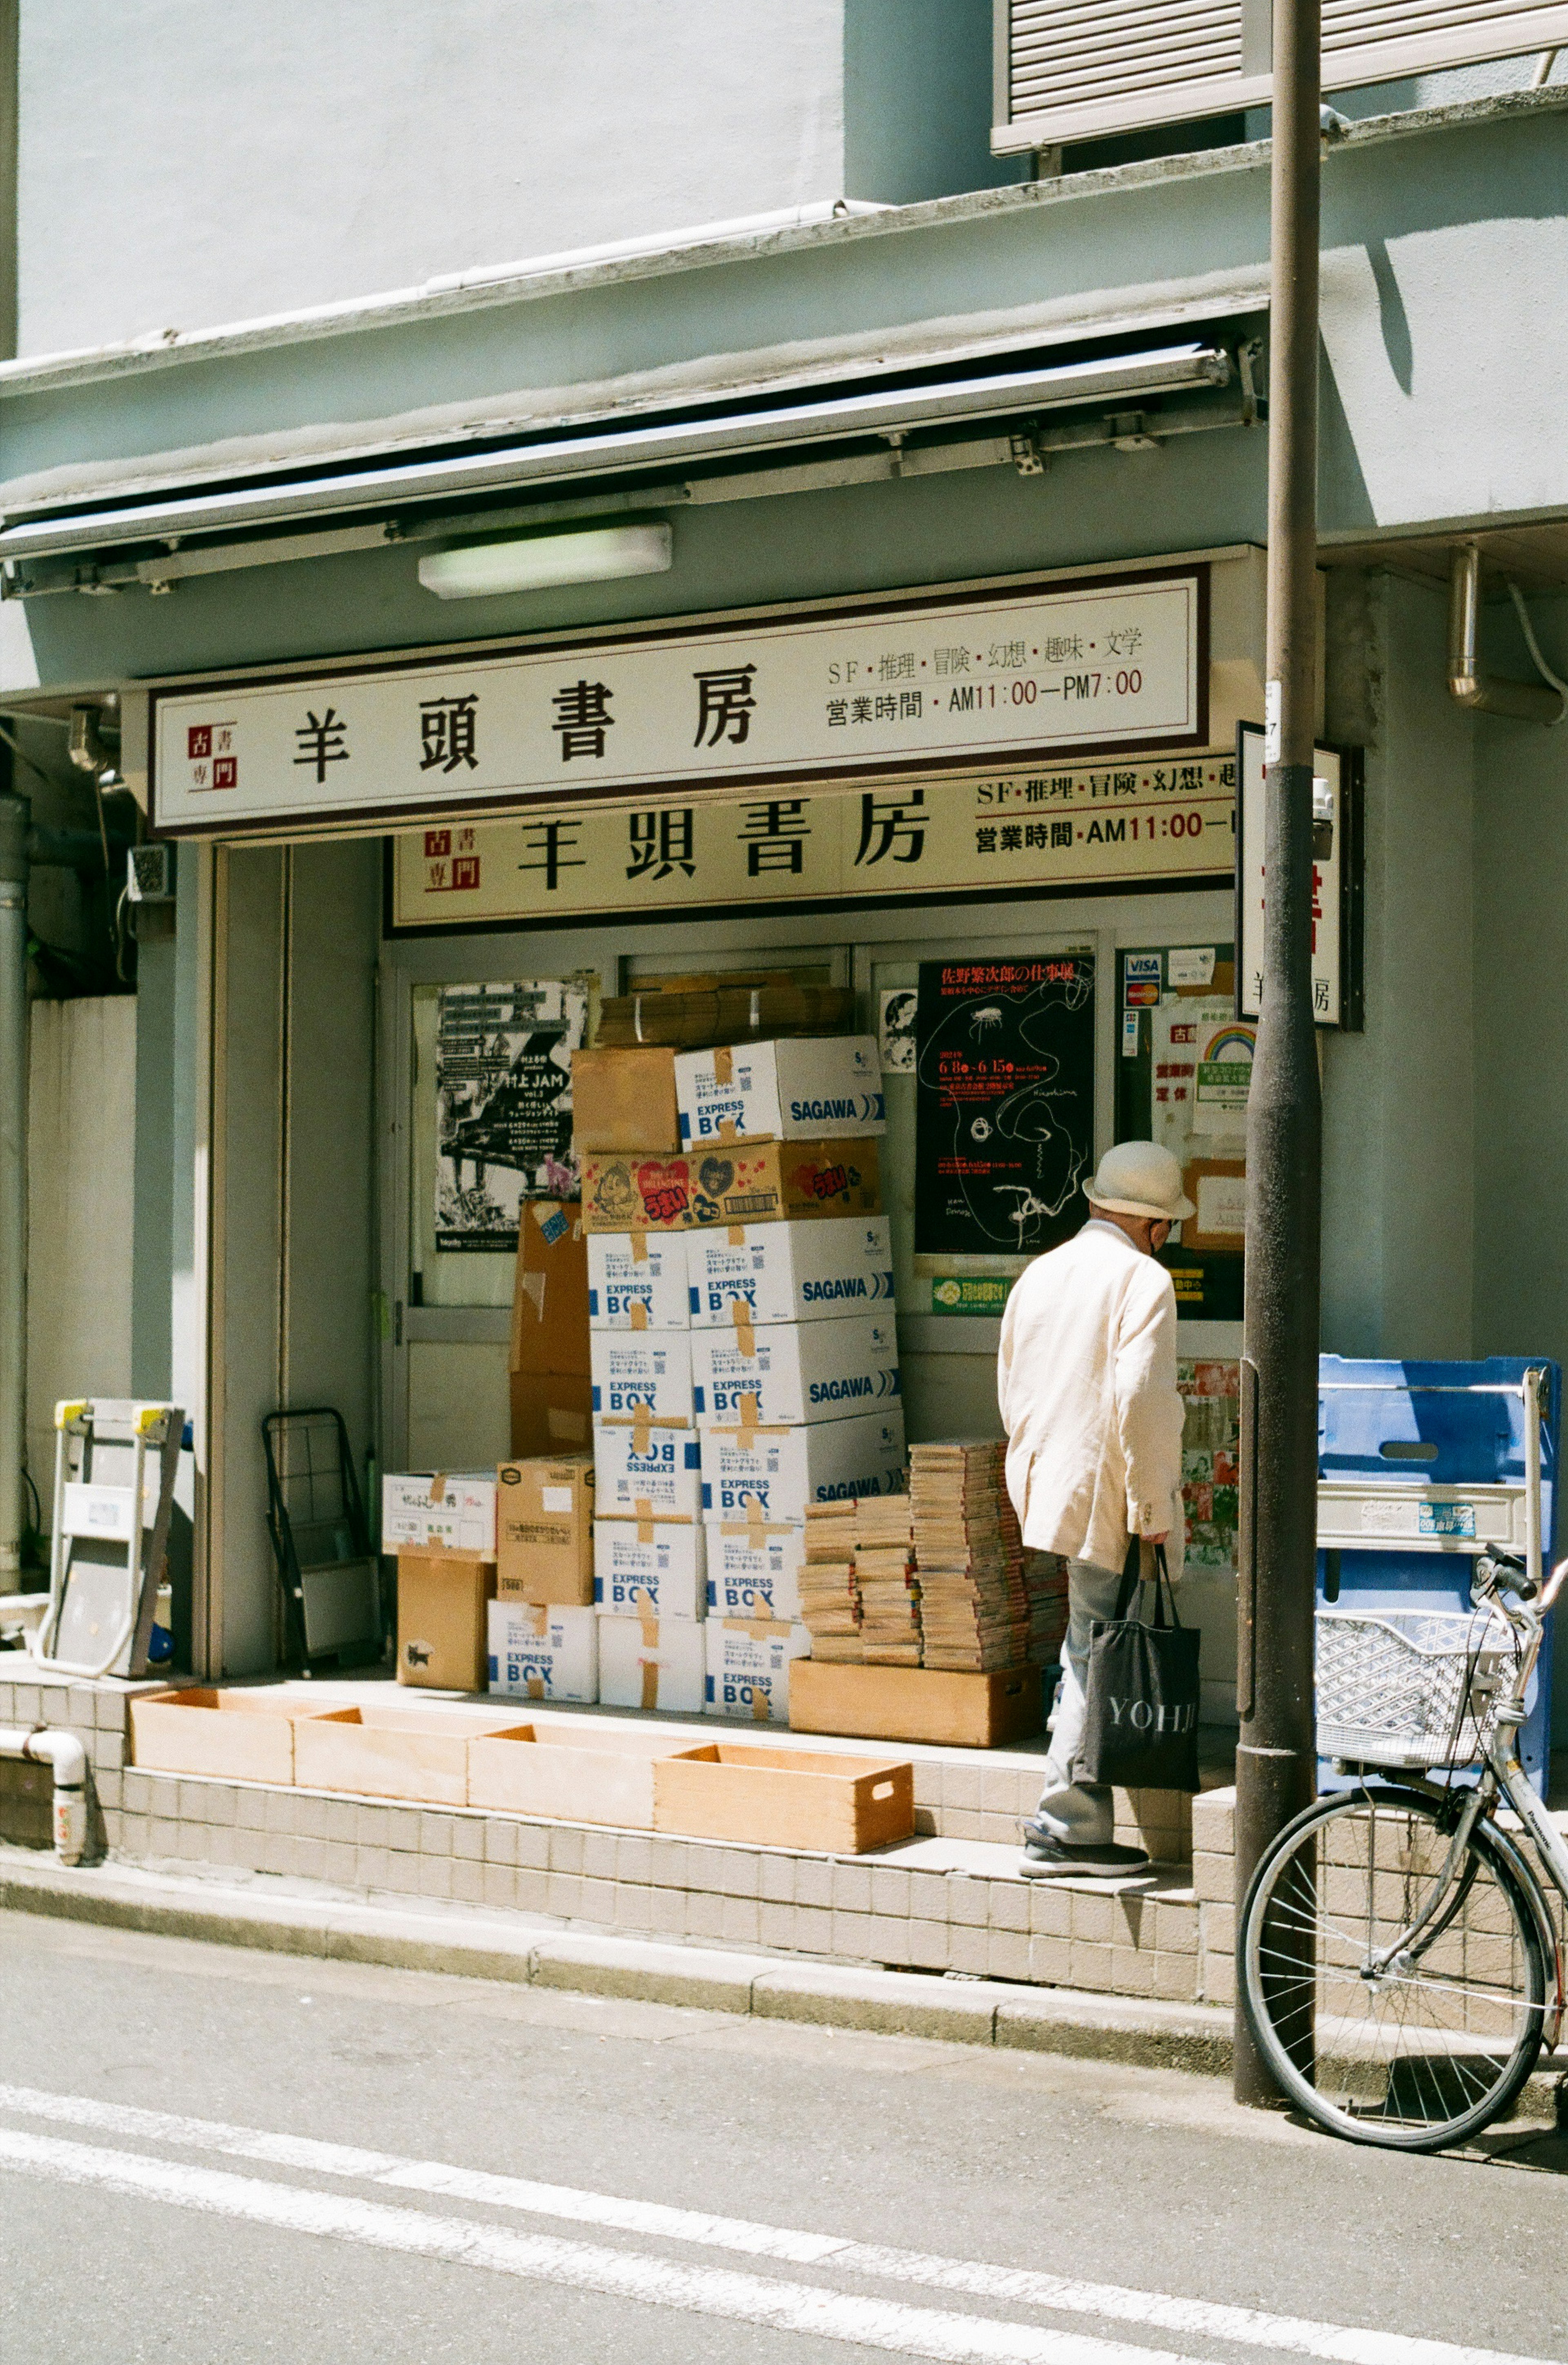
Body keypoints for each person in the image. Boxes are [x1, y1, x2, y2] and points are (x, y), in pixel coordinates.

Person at [997, 1140, 1192, 1879]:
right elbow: (1144, 1402)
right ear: (1157, 1225)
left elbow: (1011, 1385)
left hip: (1052, 1483)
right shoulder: (1143, 1279)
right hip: (1110, 1489)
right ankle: (1066, 1825)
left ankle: (1070, 1814)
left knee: (1087, 1641)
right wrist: (1152, 1503)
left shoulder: (1040, 1272)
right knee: (1095, 1649)